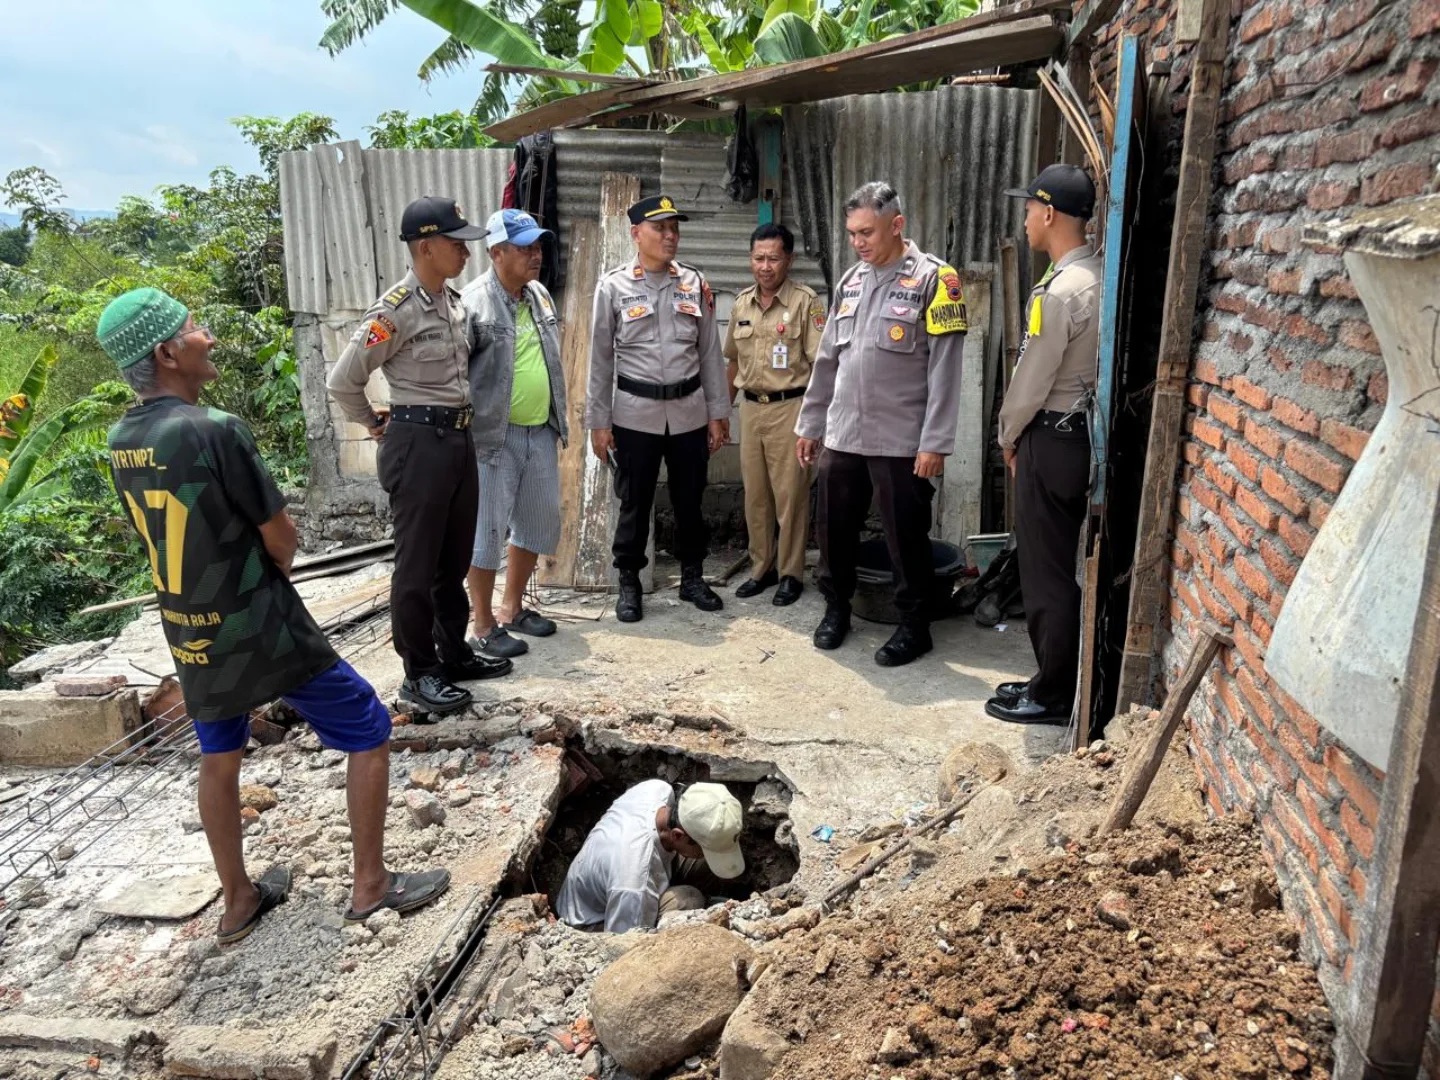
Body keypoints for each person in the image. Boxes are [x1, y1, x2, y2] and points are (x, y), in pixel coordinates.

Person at [97, 288, 450, 945]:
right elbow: (280, 537)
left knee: (219, 754)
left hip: (188, 630)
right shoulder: (212, 430)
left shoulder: (124, 440)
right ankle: (371, 885)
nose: (207, 336)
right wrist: (265, 590)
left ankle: (237, 900)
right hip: (257, 621)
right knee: (369, 727)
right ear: (167, 352)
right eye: (193, 327)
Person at [327, 196, 512, 717]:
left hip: (457, 440)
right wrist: (373, 423)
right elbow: (343, 381)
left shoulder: (452, 303)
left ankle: (453, 653)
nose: (466, 253)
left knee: (452, 559)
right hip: (418, 443)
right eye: (457, 244)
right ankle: (419, 673)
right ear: (426, 247)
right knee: (416, 565)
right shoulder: (395, 310)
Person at [794, 181, 967, 667]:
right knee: (833, 528)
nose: (859, 242)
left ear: (897, 225)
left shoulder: (936, 281)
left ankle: (915, 625)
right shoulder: (852, 279)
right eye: (852, 233)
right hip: (844, 433)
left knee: (904, 535)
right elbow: (827, 360)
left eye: (867, 231)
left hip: (901, 439)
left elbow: (945, 370)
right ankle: (836, 609)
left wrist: (935, 442)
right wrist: (811, 424)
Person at [986, 165, 1103, 725]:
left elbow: (1032, 379)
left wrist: (1007, 435)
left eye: (1029, 209)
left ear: (1050, 212)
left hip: (1050, 436)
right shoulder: (1097, 276)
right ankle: (1053, 679)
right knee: (1059, 566)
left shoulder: (1060, 292)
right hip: (1080, 436)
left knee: (1046, 571)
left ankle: (1054, 693)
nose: (1026, 219)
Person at [584, 194, 731, 624]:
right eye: (660, 228)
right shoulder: (613, 287)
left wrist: (718, 413)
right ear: (636, 235)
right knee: (634, 500)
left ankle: (692, 577)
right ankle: (629, 582)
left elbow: (709, 353)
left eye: (675, 228)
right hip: (634, 415)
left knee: (690, 500)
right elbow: (600, 360)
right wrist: (598, 422)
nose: (670, 236)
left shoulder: (693, 283)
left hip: (688, 411)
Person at [459, 209, 565, 660]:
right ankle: (482, 625)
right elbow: (457, 373)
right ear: (495, 252)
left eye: (537, 247)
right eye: (524, 248)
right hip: (492, 439)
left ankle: (512, 608)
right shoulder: (472, 303)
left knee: (538, 523)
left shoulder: (539, 295)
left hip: (539, 430)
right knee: (486, 533)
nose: (535, 255)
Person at [723, 223, 826, 606]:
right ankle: (760, 569)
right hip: (751, 410)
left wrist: (814, 423)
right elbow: (732, 364)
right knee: (756, 497)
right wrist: (720, 413)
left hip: (791, 409)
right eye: (758, 258)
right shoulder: (741, 304)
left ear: (789, 259)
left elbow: (821, 366)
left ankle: (790, 574)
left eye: (773, 258)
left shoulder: (806, 302)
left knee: (791, 497)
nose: (765, 266)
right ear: (751, 259)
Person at [555, 780, 745, 933]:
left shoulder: (657, 790)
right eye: (704, 850)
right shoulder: (633, 884)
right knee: (690, 899)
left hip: (622, 882)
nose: (704, 855)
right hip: (593, 921)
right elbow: (623, 945)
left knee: (708, 868)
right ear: (678, 835)